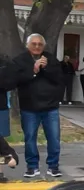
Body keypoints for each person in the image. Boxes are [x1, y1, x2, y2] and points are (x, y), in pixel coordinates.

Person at [12, 33, 63, 178]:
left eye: (40, 44)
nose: (37, 46)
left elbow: (59, 79)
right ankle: (32, 166)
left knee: (54, 138)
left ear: (44, 46)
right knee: (29, 138)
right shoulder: (19, 61)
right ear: (27, 45)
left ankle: (53, 166)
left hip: (50, 107)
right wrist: (34, 71)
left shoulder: (51, 59)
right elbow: (16, 80)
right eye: (33, 44)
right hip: (29, 107)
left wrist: (45, 69)